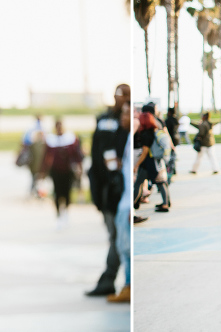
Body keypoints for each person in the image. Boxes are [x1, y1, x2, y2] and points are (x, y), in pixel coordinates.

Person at [86, 84, 130, 297]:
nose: (120, 98)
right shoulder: (105, 119)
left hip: (117, 189)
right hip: (103, 186)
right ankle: (111, 278)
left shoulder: (127, 123)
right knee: (113, 234)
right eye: (119, 94)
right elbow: (97, 152)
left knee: (117, 236)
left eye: (125, 95)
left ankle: (109, 278)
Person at [108, 99, 133, 303]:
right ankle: (127, 285)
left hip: (127, 204)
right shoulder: (124, 138)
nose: (122, 117)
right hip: (123, 201)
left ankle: (129, 286)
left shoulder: (131, 140)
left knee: (126, 248)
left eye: (126, 114)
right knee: (123, 247)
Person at [42, 117, 85, 227]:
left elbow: (77, 154)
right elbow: (46, 156)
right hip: (56, 171)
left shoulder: (70, 138)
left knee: (67, 193)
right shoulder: (50, 140)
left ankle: (65, 211)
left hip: (67, 171)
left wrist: (79, 168)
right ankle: (58, 214)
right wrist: (42, 171)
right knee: (57, 193)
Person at [134, 111, 171, 213]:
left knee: (140, 183)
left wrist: (136, 165)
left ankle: (134, 203)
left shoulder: (146, 134)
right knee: (160, 182)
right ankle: (166, 203)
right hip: (155, 161)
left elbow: (145, 151)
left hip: (149, 162)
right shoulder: (154, 130)